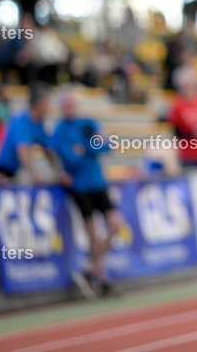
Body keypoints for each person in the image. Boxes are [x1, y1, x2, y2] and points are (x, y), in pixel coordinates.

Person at [50, 89, 122, 298]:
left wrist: (87, 148)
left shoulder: (88, 123)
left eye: (72, 105)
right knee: (91, 232)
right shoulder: (59, 131)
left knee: (114, 224)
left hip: (97, 182)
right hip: (80, 187)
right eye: (66, 106)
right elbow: (71, 159)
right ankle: (102, 277)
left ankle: (91, 268)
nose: (69, 109)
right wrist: (90, 148)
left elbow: (107, 145)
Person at [0, 84, 69, 185]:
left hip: (15, 169)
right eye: (47, 103)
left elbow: (48, 150)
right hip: (4, 170)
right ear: (39, 104)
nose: (49, 106)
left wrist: (59, 173)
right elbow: (22, 150)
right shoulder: (21, 119)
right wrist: (33, 174)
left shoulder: (39, 123)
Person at [167, 67, 197, 168]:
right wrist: (192, 131)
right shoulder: (176, 103)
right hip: (186, 154)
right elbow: (174, 130)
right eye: (187, 84)